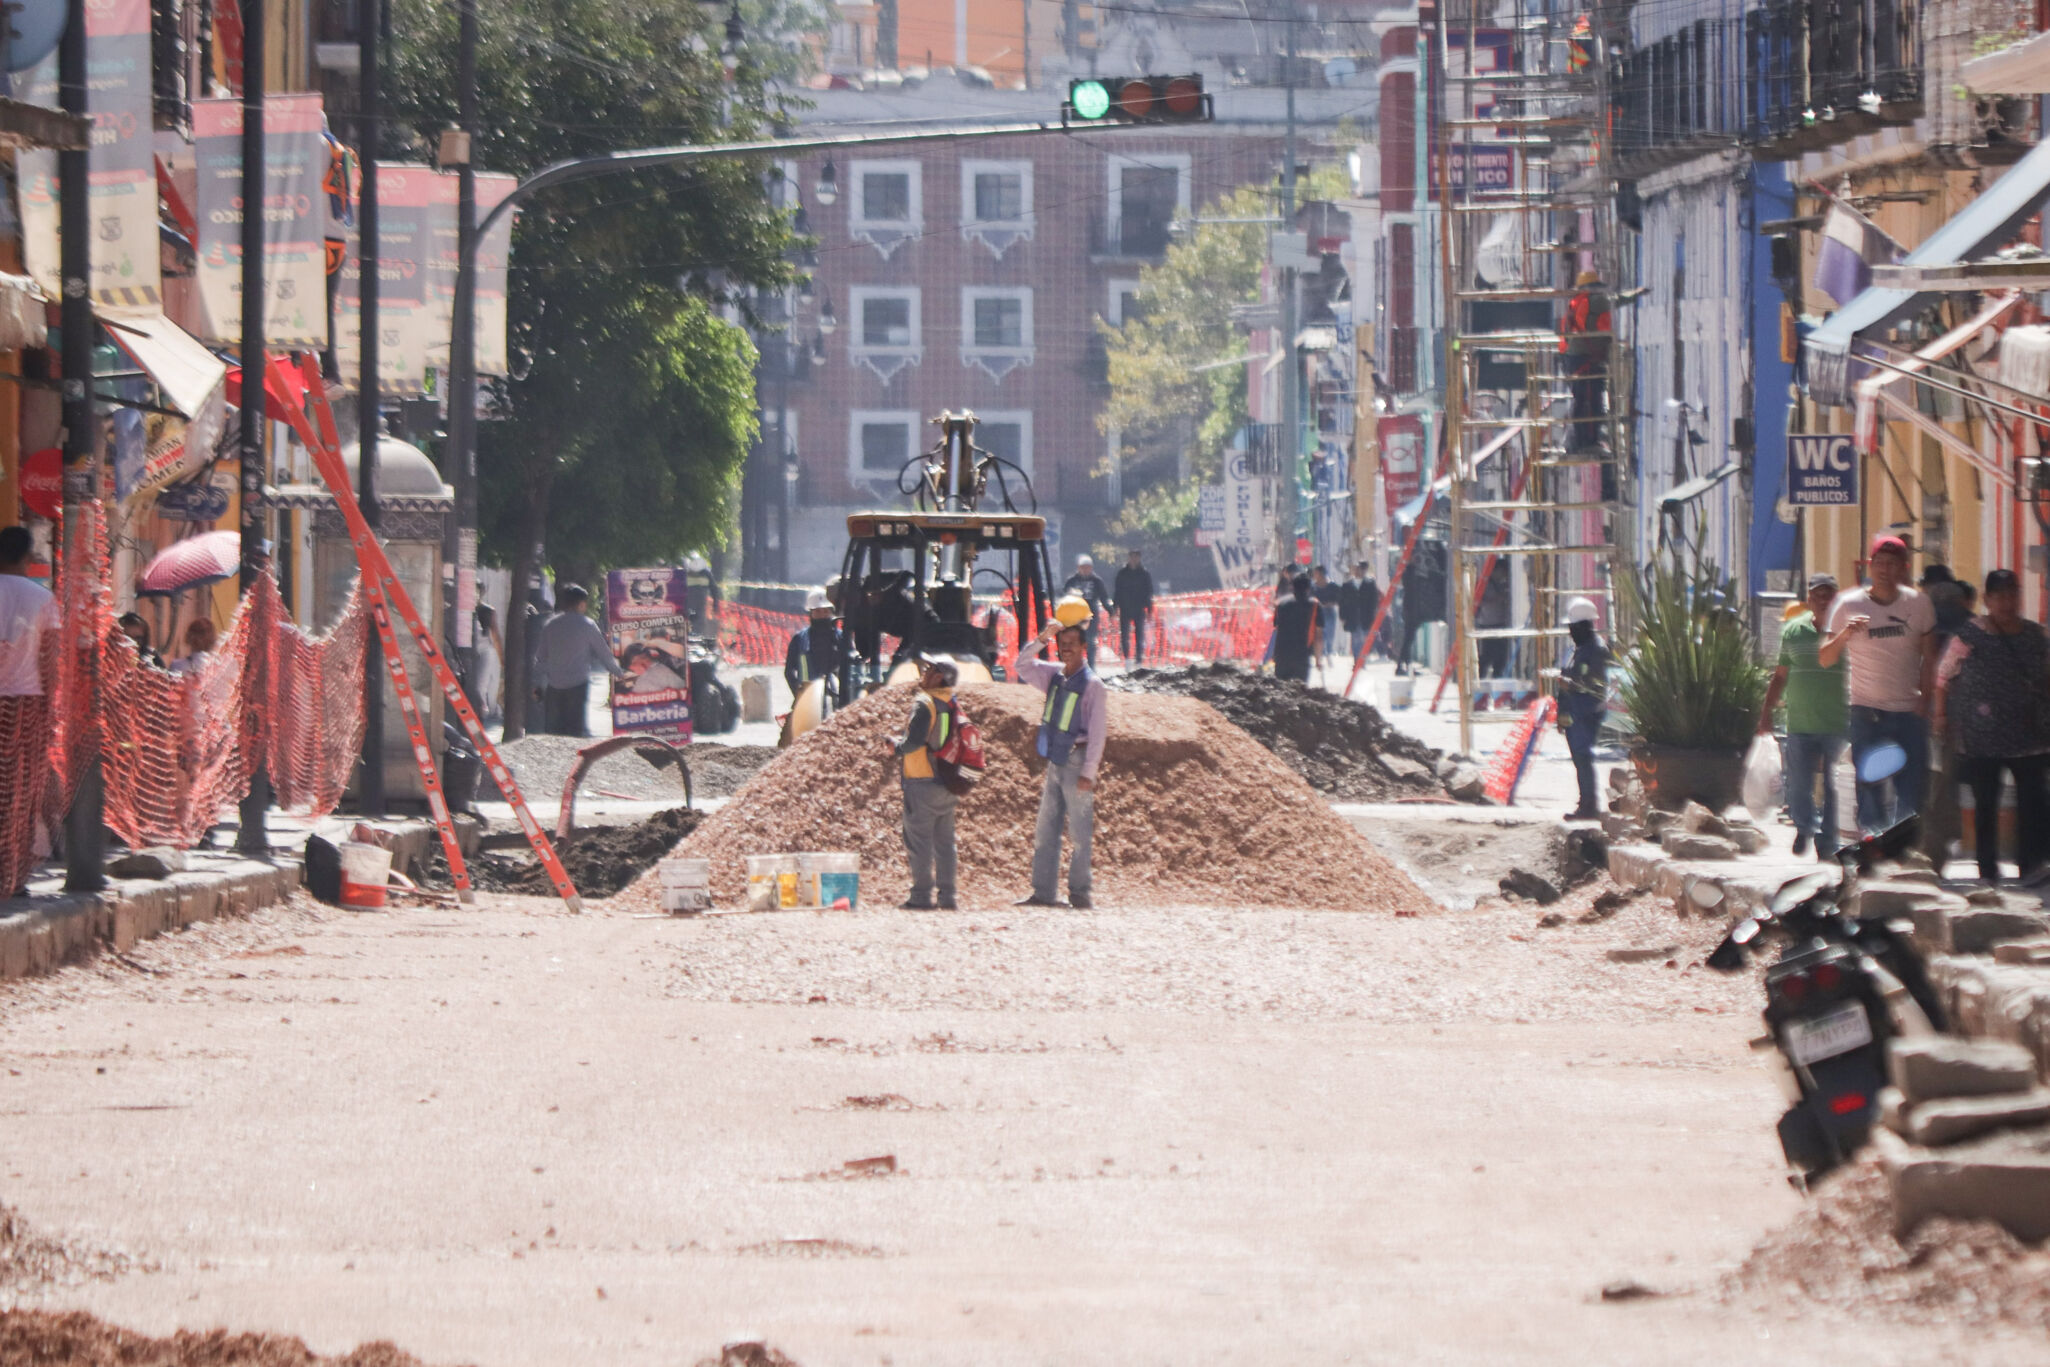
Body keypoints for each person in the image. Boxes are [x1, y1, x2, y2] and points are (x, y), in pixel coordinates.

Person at [1935, 569, 2050, 885]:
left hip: (2030, 737)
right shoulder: (1969, 634)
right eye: (1999, 595)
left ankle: (2032, 866)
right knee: (1985, 803)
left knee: (2033, 805)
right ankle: (1988, 870)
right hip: (1981, 738)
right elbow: (1943, 677)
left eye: (2011, 594)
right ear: (1987, 600)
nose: (2006, 601)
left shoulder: (2034, 635)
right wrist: (1941, 717)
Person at [1821, 536, 1938, 834]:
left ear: (1904, 568)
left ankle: (1901, 850)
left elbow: (1930, 656)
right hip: (1866, 710)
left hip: (1908, 711)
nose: (1885, 569)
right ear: (1870, 566)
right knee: (1869, 784)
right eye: (1880, 563)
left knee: (1911, 786)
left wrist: (1925, 701)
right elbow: (1825, 657)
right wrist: (1846, 633)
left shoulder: (1919, 603)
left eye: (1893, 563)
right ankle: (1872, 845)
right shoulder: (1848, 604)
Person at [1016, 615, 1108, 909]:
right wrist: (1042, 638)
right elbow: (1022, 666)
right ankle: (1043, 892)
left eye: (1071, 644)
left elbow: (1098, 734)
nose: (1065, 649)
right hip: (1056, 759)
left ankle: (1080, 894)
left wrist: (1089, 772)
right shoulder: (1054, 675)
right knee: (1046, 830)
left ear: (1083, 647)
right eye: (1061, 644)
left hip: (1078, 759)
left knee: (1080, 832)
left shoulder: (1093, 685)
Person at [1759, 573, 1847, 859]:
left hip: (1838, 724)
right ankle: (1804, 826)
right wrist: (1766, 714)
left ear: (1837, 598)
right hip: (1800, 723)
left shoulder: (1845, 633)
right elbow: (1780, 675)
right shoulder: (1793, 631)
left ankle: (1827, 841)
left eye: (1829, 594)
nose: (1823, 599)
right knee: (1798, 783)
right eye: (1817, 594)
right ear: (1809, 599)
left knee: (1835, 786)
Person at [0, 526, 57, 897]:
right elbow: (50, 660)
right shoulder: (41, 599)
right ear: (28, 557)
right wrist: (53, 710)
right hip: (26, 702)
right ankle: (12, 875)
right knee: (18, 794)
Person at [889, 655, 961, 910]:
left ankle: (921, 896)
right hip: (948, 781)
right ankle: (948, 896)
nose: (923, 671)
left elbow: (915, 741)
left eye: (929, 668)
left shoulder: (925, 702)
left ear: (938, 676)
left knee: (918, 841)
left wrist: (896, 747)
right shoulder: (951, 702)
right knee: (945, 843)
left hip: (922, 780)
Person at [529, 583, 622, 737]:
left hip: (554, 686)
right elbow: (604, 655)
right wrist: (619, 672)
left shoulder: (550, 625)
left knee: (554, 734)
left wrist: (537, 685)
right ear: (581, 604)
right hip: (578, 686)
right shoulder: (588, 625)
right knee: (576, 733)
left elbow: (540, 658)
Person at [1557, 597, 1610, 821]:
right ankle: (1585, 801)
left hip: (1586, 712)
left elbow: (1593, 682)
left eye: (1573, 627)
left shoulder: (1596, 650)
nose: (1570, 632)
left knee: (1583, 757)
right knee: (1579, 758)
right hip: (1573, 712)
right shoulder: (1578, 649)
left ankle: (1589, 805)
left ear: (1583, 626)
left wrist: (1571, 684)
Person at [784, 587, 845, 700]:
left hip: (837, 696)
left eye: (825, 611)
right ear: (811, 613)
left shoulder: (842, 638)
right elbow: (789, 671)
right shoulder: (800, 639)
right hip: (809, 697)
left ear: (832, 612)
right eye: (817, 611)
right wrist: (798, 692)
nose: (822, 615)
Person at [1061, 554, 1112, 661]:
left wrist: (1111, 611)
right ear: (1078, 568)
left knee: (1090, 640)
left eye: (1087, 567)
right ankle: (1074, 663)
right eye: (1082, 567)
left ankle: (1091, 664)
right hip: (1075, 615)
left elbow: (1103, 597)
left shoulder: (1097, 581)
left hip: (1091, 613)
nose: (1085, 570)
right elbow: (1064, 597)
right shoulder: (1072, 581)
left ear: (1091, 568)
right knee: (1074, 639)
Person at [1271, 574, 1317, 683]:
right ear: (1308, 589)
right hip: (1302, 654)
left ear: (1292, 587)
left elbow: (1276, 628)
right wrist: (1318, 660)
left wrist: (1273, 653)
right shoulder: (1314, 606)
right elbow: (1319, 636)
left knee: (1280, 690)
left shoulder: (1281, 604)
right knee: (1300, 691)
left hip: (1282, 654)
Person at [1112, 549, 1154, 666]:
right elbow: (1117, 591)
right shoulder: (1122, 573)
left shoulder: (1144, 574)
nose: (1134, 559)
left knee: (1139, 634)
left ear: (1139, 558)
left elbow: (1148, 592)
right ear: (1129, 558)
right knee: (1124, 635)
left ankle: (1139, 660)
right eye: (1132, 556)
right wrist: (1114, 608)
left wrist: (1149, 610)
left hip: (1139, 608)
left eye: (1136, 557)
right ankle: (1127, 659)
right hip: (1125, 608)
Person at [472, 603, 505, 727]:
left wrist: (502, 659)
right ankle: (483, 712)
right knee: (482, 686)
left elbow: (495, 635)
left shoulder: (487, 611)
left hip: (485, 652)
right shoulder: (472, 611)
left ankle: (483, 713)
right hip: (477, 652)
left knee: (482, 685)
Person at [1311, 567, 1341, 667]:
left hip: (1329, 612)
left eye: (1316, 573)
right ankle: (1321, 655)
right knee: (1319, 634)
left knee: (1330, 634)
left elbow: (1340, 599)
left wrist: (1331, 603)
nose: (1314, 575)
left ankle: (1329, 653)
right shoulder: (1313, 587)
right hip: (1318, 612)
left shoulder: (1333, 586)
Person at [1357, 568, 1383, 660]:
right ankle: (1367, 652)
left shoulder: (1369, 584)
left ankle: (1369, 651)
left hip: (1368, 614)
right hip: (1368, 614)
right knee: (1368, 634)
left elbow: (1376, 599)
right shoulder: (1370, 584)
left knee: (1368, 634)